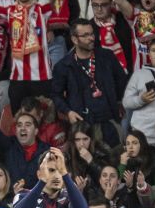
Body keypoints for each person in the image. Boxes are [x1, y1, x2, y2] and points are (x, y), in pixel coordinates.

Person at [51, 18, 129, 146]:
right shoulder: (63, 66)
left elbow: (121, 80)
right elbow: (56, 94)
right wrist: (68, 112)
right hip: (83, 126)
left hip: (109, 122)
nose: (91, 38)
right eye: (85, 35)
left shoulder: (107, 56)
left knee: (114, 161)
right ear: (74, 39)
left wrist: (119, 101)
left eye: (92, 33)